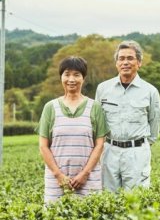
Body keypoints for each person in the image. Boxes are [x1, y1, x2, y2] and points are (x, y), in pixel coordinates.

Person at [38, 56, 109, 204]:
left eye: (77, 74)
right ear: (61, 77)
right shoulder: (50, 107)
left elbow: (100, 145)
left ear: (83, 78)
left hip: (89, 180)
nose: (71, 79)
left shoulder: (95, 107)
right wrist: (59, 176)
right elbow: (43, 146)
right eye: (67, 74)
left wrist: (84, 174)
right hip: (56, 181)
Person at [95, 40, 160, 192]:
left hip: (137, 152)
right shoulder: (103, 89)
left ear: (139, 63)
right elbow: (98, 123)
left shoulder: (150, 91)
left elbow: (155, 123)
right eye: (121, 58)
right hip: (109, 151)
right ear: (116, 63)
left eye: (130, 58)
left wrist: (140, 145)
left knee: (136, 199)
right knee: (108, 198)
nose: (125, 62)